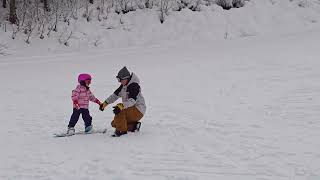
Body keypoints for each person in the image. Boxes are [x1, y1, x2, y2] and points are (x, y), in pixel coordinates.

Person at [100, 67, 146, 137]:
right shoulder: (123, 86)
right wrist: (105, 103)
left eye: (120, 79)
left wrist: (121, 106)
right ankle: (133, 126)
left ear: (126, 78)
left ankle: (121, 131)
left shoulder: (134, 86)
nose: (119, 81)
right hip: (129, 109)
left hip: (138, 109)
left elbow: (132, 101)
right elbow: (115, 95)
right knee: (114, 123)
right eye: (118, 79)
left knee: (120, 112)